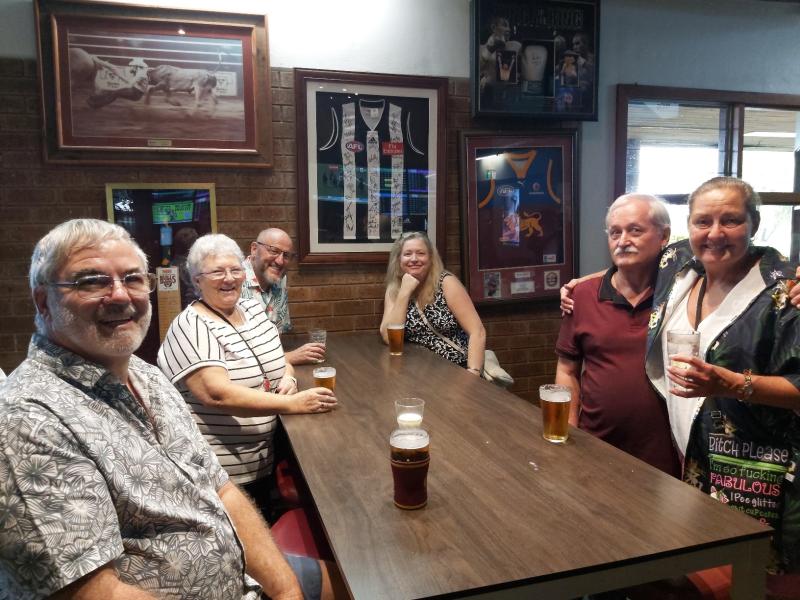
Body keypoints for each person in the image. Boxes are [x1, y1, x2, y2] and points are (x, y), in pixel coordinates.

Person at [0, 219, 335, 598]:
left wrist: (286, 589)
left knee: (363, 584)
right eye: (91, 281)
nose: (121, 296)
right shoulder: (27, 418)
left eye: (133, 278)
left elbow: (220, 489)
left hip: (242, 576)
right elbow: (87, 591)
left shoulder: (145, 375)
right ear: (43, 300)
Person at [644, 177, 800, 589]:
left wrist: (732, 384)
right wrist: (579, 286)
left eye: (730, 220)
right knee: (708, 571)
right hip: (692, 457)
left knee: (761, 579)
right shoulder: (676, 264)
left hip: (757, 467)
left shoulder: (785, 290)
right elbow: (625, 258)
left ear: (754, 223)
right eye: (703, 221)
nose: (714, 233)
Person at [158, 233, 337, 504]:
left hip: (265, 459)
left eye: (235, 269)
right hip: (222, 476)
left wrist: (288, 378)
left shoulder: (252, 309)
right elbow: (216, 393)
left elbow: (281, 359)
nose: (229, 278)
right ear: (197, 280)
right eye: (217, 272)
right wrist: (291, 404)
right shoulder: (190, 325)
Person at [555, 194, 680, 476]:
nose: (623, 240)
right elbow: (567, 370)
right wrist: (569, 432)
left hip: (667, 456)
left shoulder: (685, 291)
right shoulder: (582, 296)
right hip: (596, 449)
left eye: (635, 230)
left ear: (664, 236)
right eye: (615, 232)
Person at [380, 232, 486, 373]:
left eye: (421, 253)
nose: (414, 259)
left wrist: (473, 372)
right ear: (398, 259)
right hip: (416, 371)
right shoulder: (394, 289)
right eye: (407, 254)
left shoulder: (447, 283)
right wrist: (404, 292)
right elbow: (389, 338)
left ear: (430, 258)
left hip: (455, 368)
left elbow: (477, 331)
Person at [241, 227, 325, 365]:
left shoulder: (279, 278)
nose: (280, 261)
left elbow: (275, 341)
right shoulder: (232, 281)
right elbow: (234, 358)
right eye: (274, 251)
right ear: (254, 249)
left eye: (286, 255)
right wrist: (290, 357)